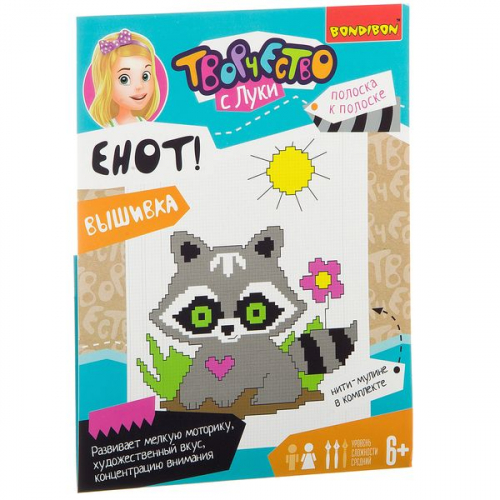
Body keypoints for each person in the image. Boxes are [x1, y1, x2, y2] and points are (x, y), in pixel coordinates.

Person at [89, 29, 161, 127]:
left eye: (145, 76)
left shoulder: (143, 123)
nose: (139, 86)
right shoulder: (107, 127)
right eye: (124, 79)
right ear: (106, 83)